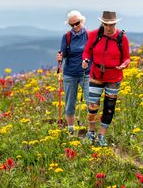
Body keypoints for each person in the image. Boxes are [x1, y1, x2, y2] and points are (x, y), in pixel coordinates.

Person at [82, 11, 130, 146]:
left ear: (116, 23)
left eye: (112, 24)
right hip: (96, 75)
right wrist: (85, 60)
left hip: (114, 77)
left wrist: (124, 65)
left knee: (109, 107)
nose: (109, 27)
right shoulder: (94, 34)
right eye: (107, 24)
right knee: (92, 105)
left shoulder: (122, 38)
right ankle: (91, 132)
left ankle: (101, 135)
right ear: (102, 23)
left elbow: (127, 57)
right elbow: (87, 51)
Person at [56, 10, 90, 134]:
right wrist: (60, 57)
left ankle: (91, 130)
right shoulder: (67, 37)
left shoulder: (89, 35)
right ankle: (70, 130)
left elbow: (93, 52)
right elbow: (63, 52)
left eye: (77, 23)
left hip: (86, 73)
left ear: (82, 21)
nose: (75, 27)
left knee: (90, 101)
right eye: (72, 25)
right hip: (70, 74)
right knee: (70, 103)